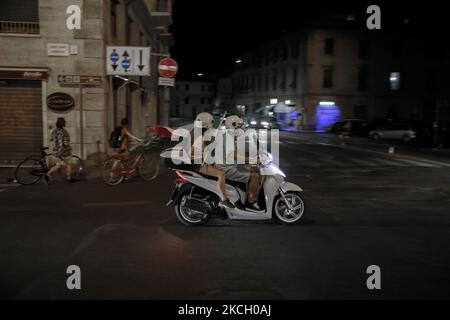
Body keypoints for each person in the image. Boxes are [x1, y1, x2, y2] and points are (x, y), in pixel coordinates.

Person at [216, 115, 262, 211]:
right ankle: (250, 203)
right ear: (233, 126)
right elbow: (234, 155)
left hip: (230, 164)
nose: (242, 128)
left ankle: (247, 195)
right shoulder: (228, 137)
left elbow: (239, 152)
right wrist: (251, 160)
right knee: (255, 175)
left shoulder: (230, 136)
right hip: (226, 168)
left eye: (242, 125)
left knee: (255, 169)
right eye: (239, 126)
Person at [193, 112, 235, 209]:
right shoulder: (199, 135)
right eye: (211, 122)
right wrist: (207, 143)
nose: (212, 124)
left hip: (205, 161)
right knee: (221, 174)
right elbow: (195, 149)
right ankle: (224, 200)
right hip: (200, 164)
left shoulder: (202, 133)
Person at [47, 117, 74, 183]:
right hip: (63, 152)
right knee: (69, 163)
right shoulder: (65, 132)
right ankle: (68, 177)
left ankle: (51, 173)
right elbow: (66, 143)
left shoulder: (54, 131)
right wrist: (69, 147)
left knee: (57, 163)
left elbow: (51, 139)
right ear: (64, 124)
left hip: (55, 151)